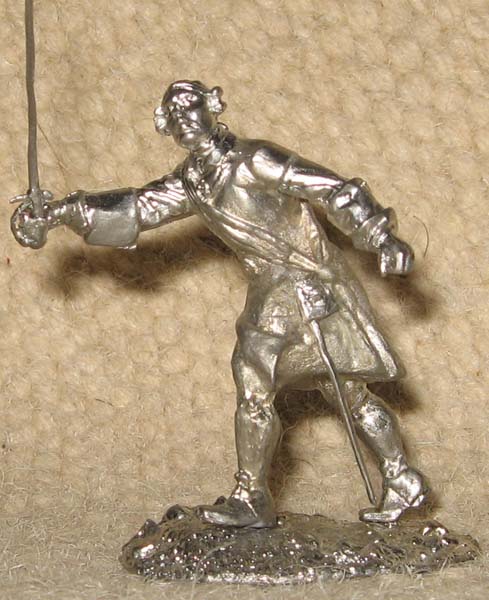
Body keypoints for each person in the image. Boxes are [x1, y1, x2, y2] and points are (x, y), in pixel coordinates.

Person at [11, 80, 429, 527]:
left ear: (213, 107)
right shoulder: (193, 181)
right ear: (165, 127)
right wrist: (60, 213)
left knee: (279, 383)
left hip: (307, 282)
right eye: (173, 115)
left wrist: (382, 238)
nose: (184, 119)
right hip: (274, 286)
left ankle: (259, 496)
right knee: (326, 390)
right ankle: (393, 479)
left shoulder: (256, 159)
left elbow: (332, 188)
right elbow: (140, 207)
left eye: (190, 107)